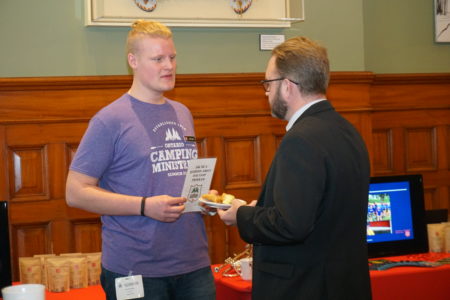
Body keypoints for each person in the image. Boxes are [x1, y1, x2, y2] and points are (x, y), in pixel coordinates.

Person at [65, 20, 215, 300]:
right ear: (132, 60)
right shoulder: (109, 120)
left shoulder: (183, 112)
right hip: (135, 269)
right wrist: (144, 206)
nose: (169, 66)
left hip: (194, 264)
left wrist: (203, 198)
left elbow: (177, 178)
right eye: (157, 59)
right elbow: (75, 192)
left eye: (172, 57)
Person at [218, 36, 372, 300]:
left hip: (306, 287)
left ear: (287, 86)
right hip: (344, 284)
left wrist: (240, 214)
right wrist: (263, 210)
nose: (266, 92)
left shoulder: (301, 140)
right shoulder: (347, 131)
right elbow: (319, 210)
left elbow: (291, 225)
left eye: (268, 83)